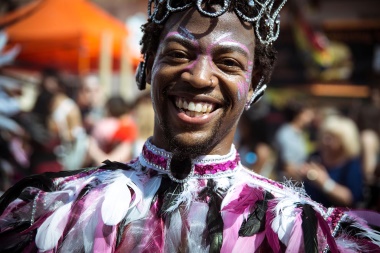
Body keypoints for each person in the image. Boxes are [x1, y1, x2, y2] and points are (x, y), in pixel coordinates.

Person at [0, 1, 379, 252]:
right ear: (147, 64)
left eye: (228, 63)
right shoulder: (53, 212)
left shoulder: (295, 232)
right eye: (179, 54)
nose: (199, 77)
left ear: (255, 83)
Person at [301, 115, 364, 208]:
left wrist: (324, 183)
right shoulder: (315, 156)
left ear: (344, 141)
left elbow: (351, 199)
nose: (325, 140)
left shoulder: (351, 164)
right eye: (324, 135)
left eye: (331, 137)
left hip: (336, 217)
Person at [274, 100, 315, 181]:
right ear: (298, 114)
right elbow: (288, 167)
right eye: (307, 113)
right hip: (288, 184)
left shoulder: (301, 133)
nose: (311, 116)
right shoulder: (286, 134)